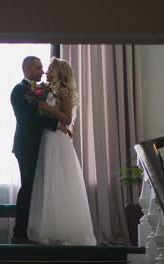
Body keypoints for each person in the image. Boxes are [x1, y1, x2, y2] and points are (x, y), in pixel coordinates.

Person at [27, 57, 97, 245]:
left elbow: (66, 119)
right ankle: (49, 229)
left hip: (57, 140)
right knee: (48, 180)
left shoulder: (63, 91)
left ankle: (63, 230)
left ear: (57, 72)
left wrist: (50, 109)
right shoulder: (47, 89)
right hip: (47, 138)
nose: (46, 72)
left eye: (49, 68)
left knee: (59, 180)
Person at [10, 56, 59, 244]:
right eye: (38, 68)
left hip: (41, 145)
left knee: (38, 188)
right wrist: (57, 123)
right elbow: (28, 119)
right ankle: (19, 234)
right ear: (27, 69)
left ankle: (34, 231)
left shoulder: (40, 91)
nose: (42, 72)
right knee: (28, 187)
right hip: (26, 146)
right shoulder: (19, 90)